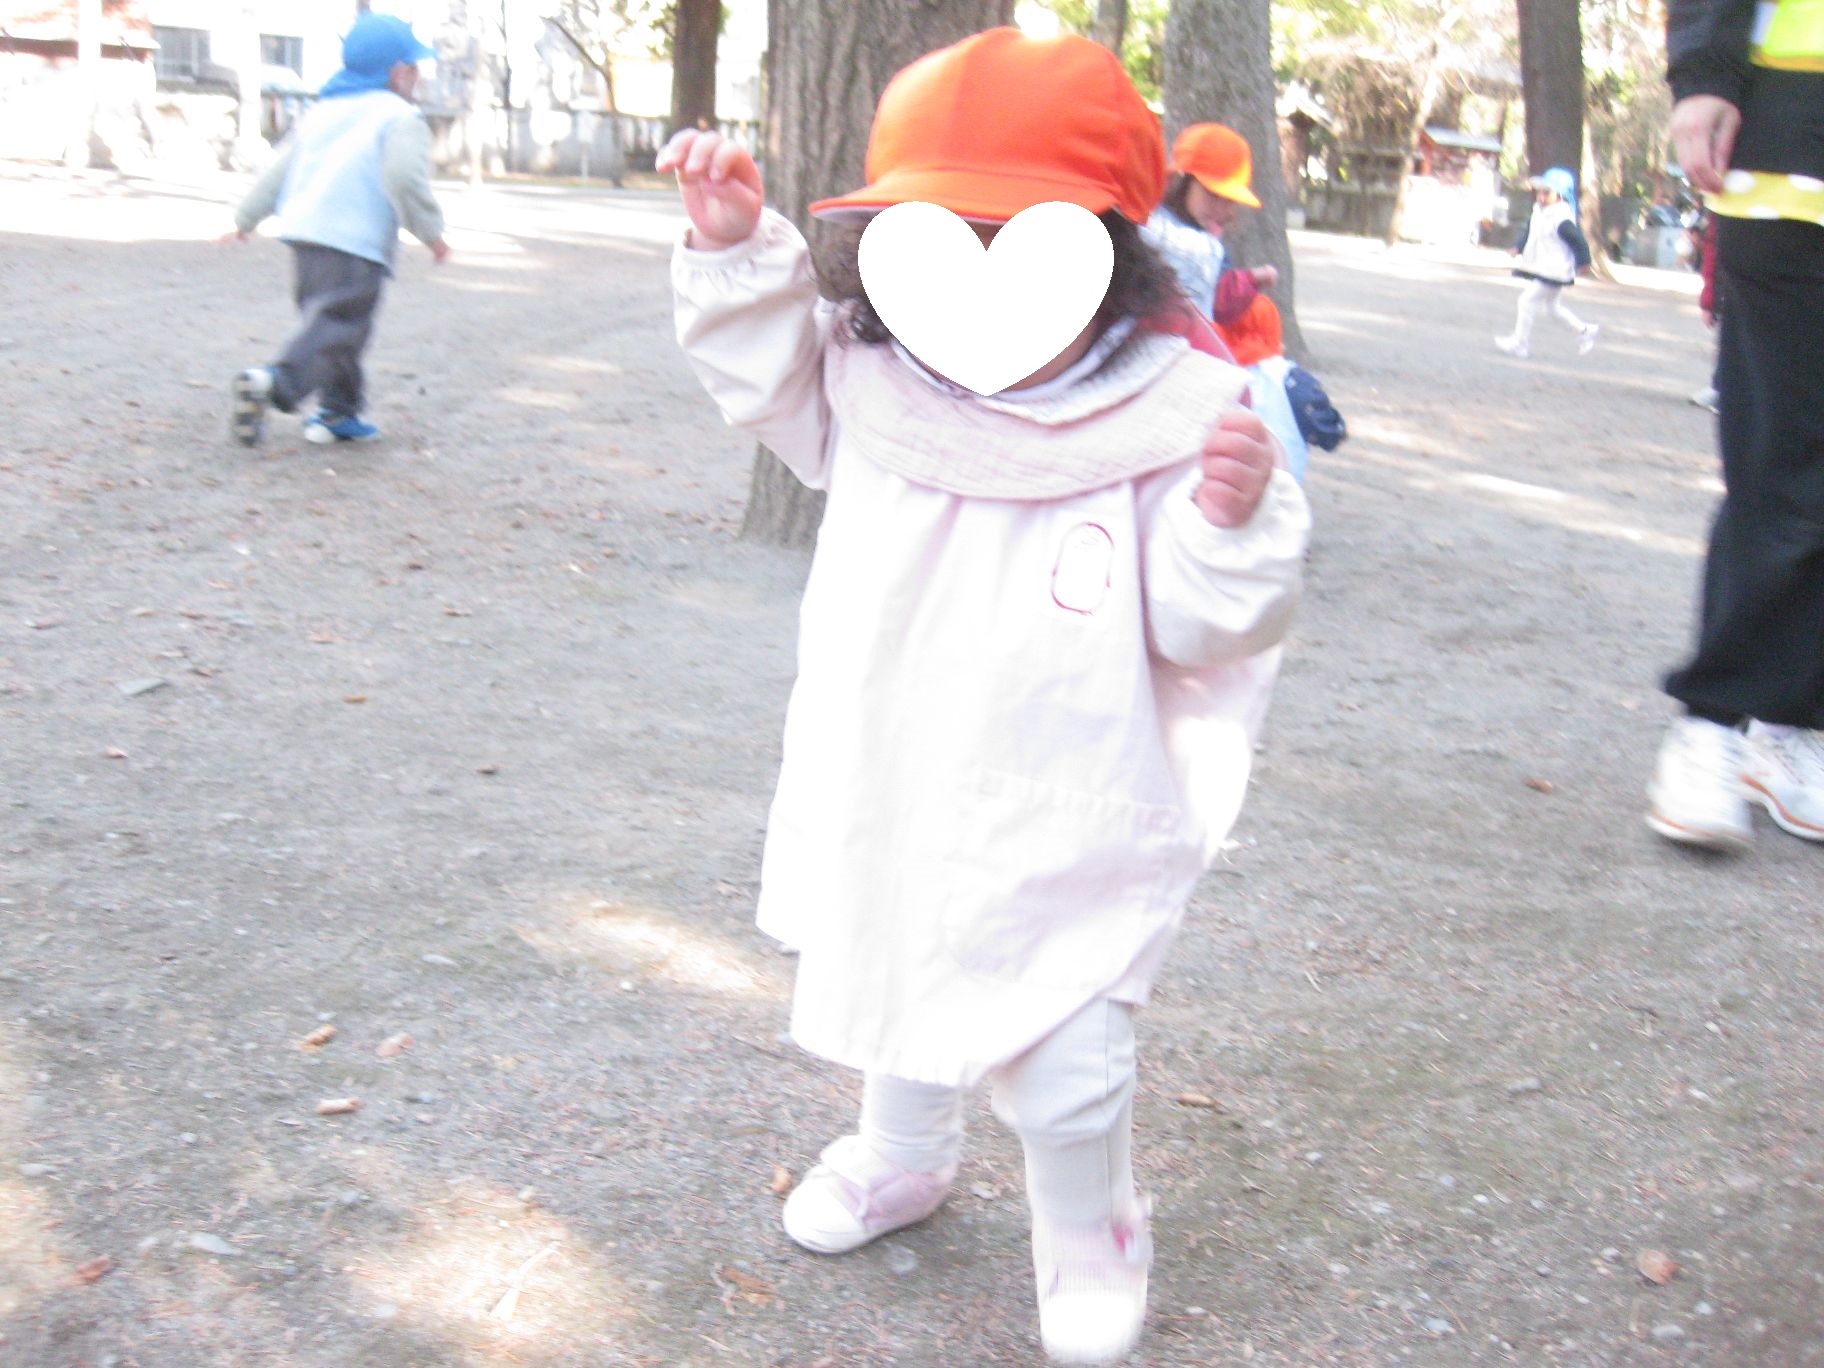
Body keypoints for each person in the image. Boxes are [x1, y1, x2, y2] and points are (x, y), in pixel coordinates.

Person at [660, 28, 1310, 1364]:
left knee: (1067, 1058)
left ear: (1107, 254)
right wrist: (733, 252)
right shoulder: (872, 377)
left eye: (1018, 244)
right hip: (897, 764)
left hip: (1069, 786)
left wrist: (1229, 521)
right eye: (935, 242)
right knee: (900, 968)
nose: (974, 288)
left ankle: (1090, 1233)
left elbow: (1206, 628)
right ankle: (903, 1152)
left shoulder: (1180, 409)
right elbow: (764, 382)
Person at [1645, 0, 1824, 850]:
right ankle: (1711, 727)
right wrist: (1704, 73)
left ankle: (1792, 727)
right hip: (1795, 148)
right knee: (1782, 468)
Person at [224, 12, 449, 447]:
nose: (419, 77)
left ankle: (337, 413)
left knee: (333, 328)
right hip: (355, 242)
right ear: (398, 73)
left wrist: (245, 219)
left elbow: (282, 170)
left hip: (305, 235)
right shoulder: (400, 117)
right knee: (340, 327)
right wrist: (431, 233)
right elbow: (404, 178)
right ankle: (275, 383)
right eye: (415, 68)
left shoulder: (322, 111)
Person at [1143, 123, 1280, 327]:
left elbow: (1219, 303)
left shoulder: (1210, 241)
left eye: (1229, 200)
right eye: (1212, 195)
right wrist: (1253, 279)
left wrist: (1251, 281)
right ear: (1183, 180)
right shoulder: (1148, 219)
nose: (1220, 208)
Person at [1494, 167, 1599, 359]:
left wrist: (1584, 262)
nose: (1541, 197)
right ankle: (1584, 330)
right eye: (1540, 192)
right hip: (1546, 267)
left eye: (1546, 193)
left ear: (1559, 195)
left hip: (1554, 269)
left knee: (1526, 301)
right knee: (1553, 308)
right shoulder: (1540, 212)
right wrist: (1518, 246)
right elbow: (1530, 231)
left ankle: (1520, 342)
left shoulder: (1561, 219)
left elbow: (1579, 242)